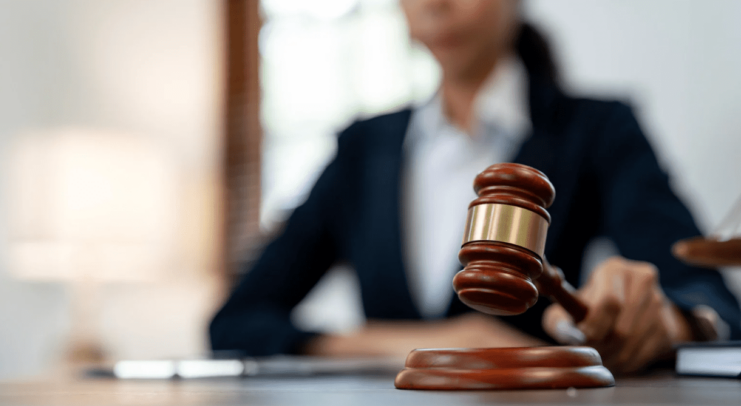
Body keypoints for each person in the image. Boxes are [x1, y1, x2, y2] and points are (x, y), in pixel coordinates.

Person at [210, 0, 741, 374]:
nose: (435, 4)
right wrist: (426, 344)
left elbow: (712, 302)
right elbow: (236, 322)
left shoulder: (596, 131)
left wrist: (668, 322)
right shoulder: (361, 150)